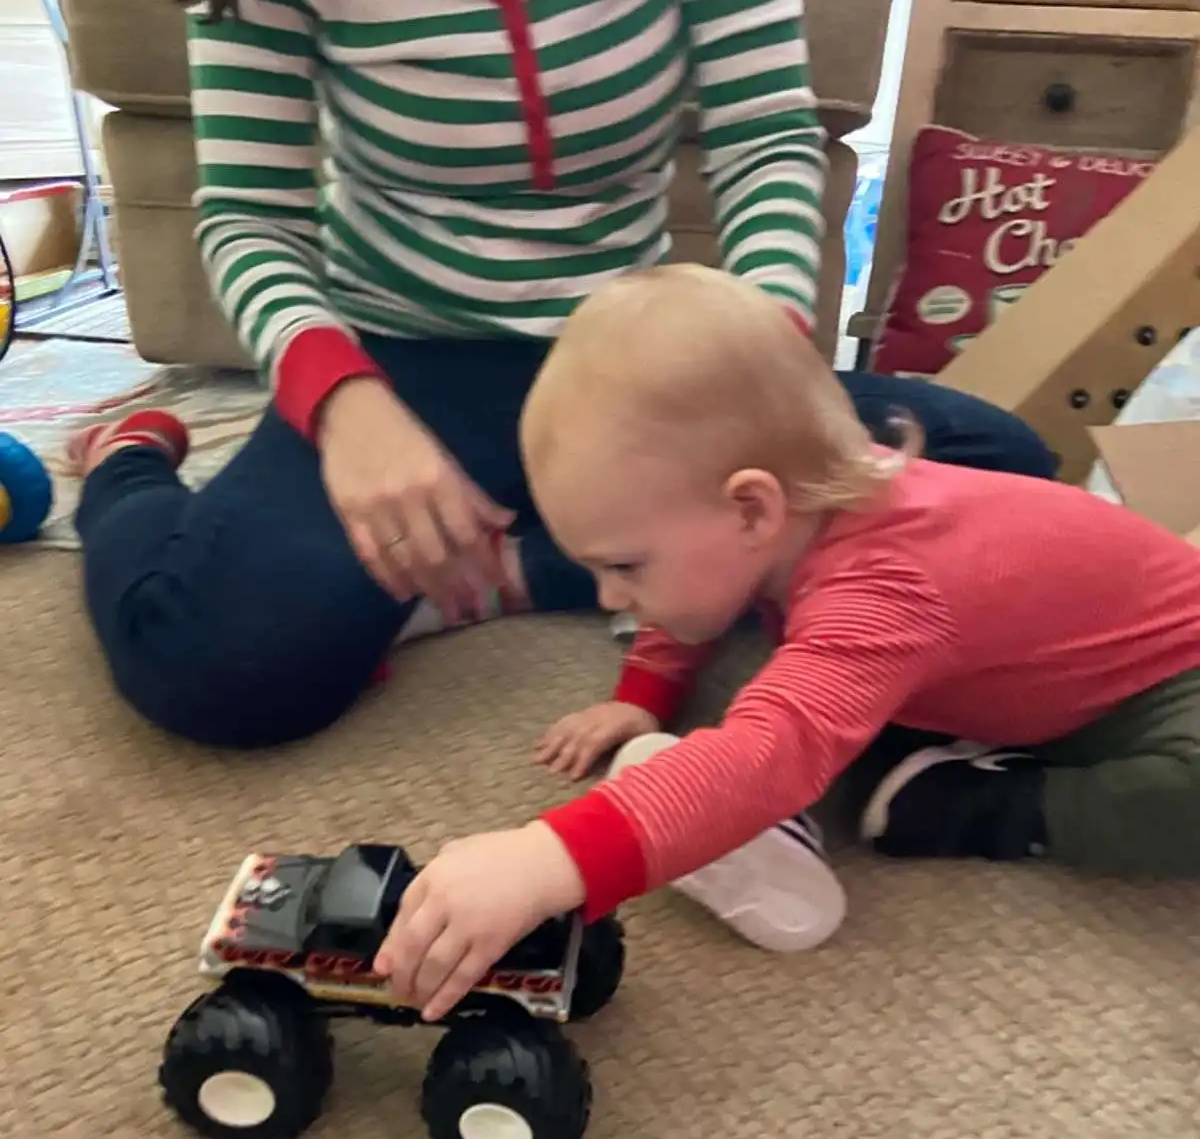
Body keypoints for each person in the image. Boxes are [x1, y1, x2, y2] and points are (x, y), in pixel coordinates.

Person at [70, 0, 1056, 752]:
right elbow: (251, 216)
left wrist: (763, 358)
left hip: (635, 364)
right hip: (403, 366)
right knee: (210, 668)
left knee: (1000, 469)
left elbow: (765, 140)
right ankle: (128, 465)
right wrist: (346, 408)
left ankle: (502, 570)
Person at [373, 265, 1200, 1022]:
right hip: (1003, 674)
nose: (609, 598)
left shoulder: (883, 584)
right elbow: (694, 602)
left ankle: (977, 803)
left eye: (623, 566)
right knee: (803, 691)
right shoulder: (796, 506)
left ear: (753, 509)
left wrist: (549, 859)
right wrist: (644, 695)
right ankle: (795, 803)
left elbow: (772, 747)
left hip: (1162, 678)